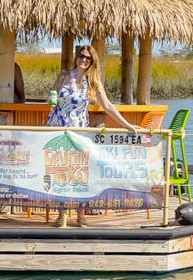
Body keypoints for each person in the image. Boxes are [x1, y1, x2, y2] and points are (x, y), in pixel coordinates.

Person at [47, 44, 140, 226]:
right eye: (81, 56)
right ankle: (62, 215)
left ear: (92, 62)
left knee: (80, 173)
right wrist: (51, 99)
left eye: (88, 58)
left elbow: (107, 106)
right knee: (60, 173)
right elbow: (52, 98)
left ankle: (81, 215)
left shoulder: (93, 82)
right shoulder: (64, 77)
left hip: (80, 130)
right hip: (59, 128)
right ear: (77, 57)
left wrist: (127, 124)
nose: (83, 60)